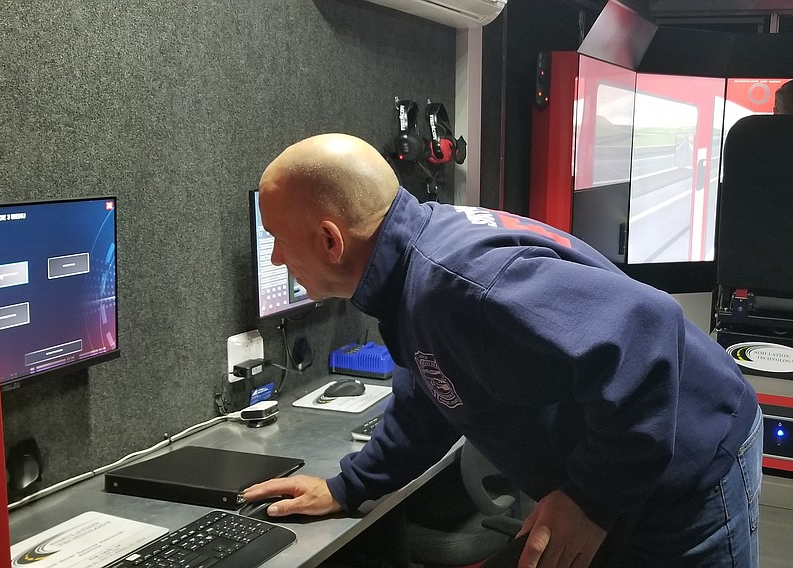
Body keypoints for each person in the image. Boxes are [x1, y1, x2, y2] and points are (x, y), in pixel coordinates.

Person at [242, 133, 763, 568]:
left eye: (279, 238)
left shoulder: (459, 282)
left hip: (690, 466)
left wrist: (589, 501)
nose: (276, 255)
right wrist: (347, 487)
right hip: (630, 465)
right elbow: (434, 392)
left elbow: (648, 326)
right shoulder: (410, 276)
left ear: (332, 241)